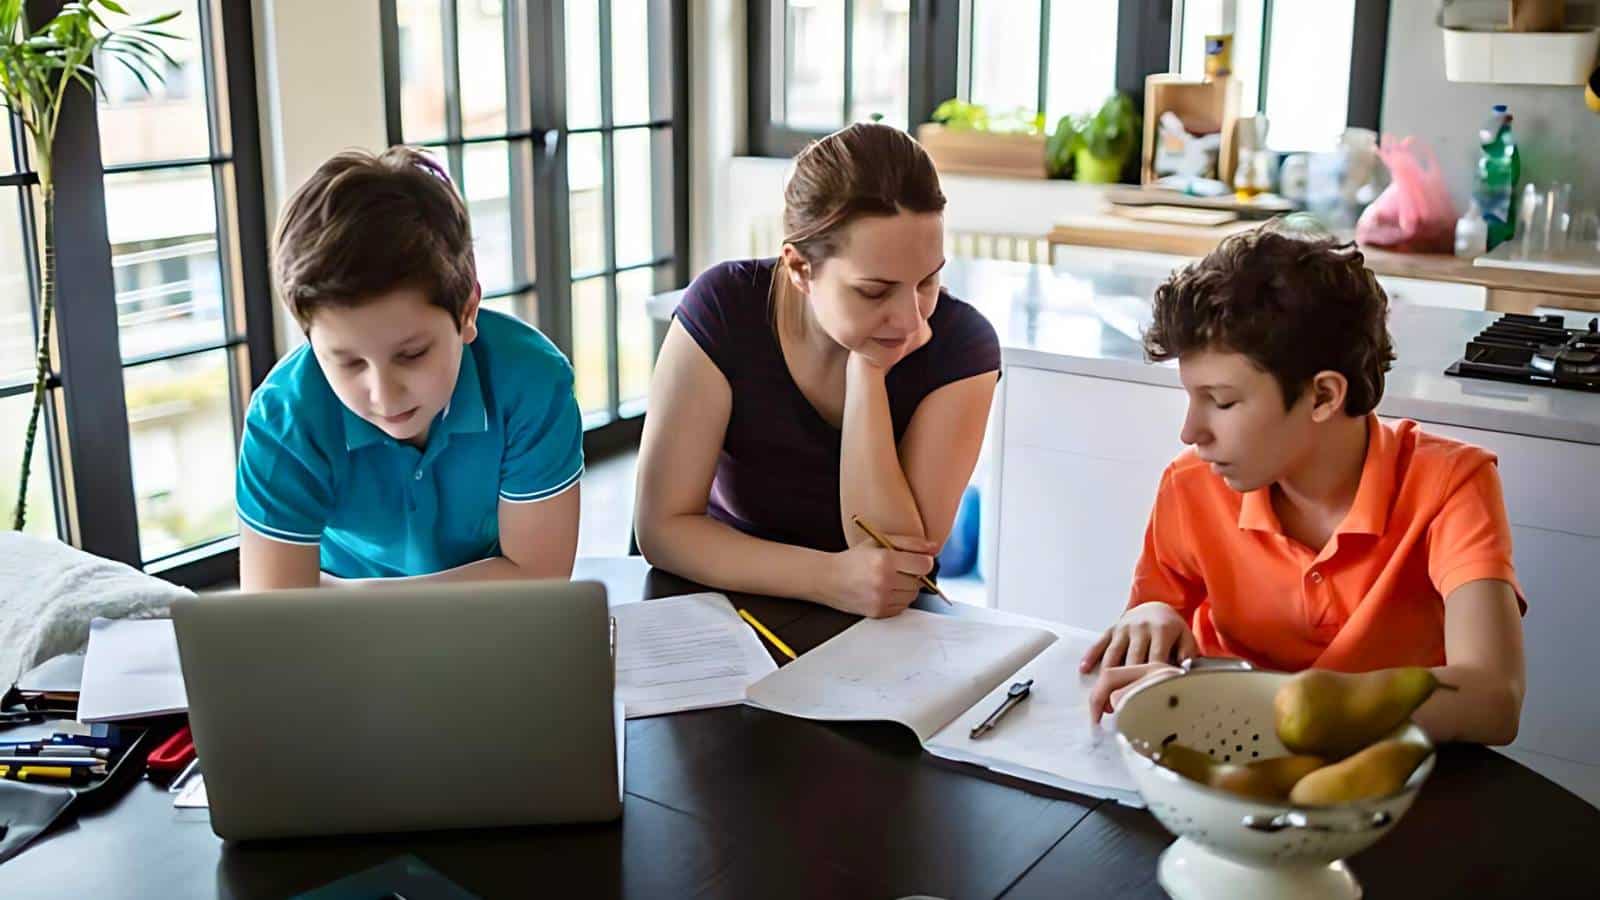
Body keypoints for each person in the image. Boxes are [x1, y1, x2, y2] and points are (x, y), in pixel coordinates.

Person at [1083, 227, 1526, 746]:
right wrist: (1149, 616)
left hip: (1386, 782)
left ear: (1323, 396)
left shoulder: (1451, 484)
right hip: (1224, 758)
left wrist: (1259, 707)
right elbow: (1153, 626)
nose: (1191, 432)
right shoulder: (1191, 484)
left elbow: (1493, 697)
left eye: (1222, 402)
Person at [634, 123, 1000, 617]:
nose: (913, 319)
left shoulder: (962, 346)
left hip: (887, 627)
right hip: (725, 604)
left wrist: (867, 371)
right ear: (800, 268)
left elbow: (894, 560)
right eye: (874, 291)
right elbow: (662, 528)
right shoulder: (724, 308)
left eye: (927, 281)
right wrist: (827, 578)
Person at [236, 147, 583, 590]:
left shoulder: (531, 383)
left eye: (412, 354)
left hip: (485, 625)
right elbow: (275, 614)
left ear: (468, 311)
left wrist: (343, 600)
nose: (384, 394)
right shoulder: (282, 420)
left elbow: (539, 577)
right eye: (347, 362)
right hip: (344, 640)